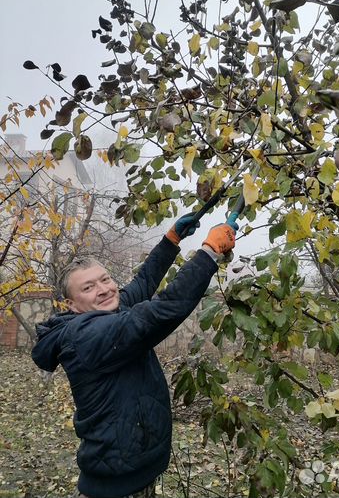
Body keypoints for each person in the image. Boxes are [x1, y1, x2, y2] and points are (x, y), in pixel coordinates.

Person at [31, 213, 238, 498]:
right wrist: (209, 253)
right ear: (71, 304)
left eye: (105, 280)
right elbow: (159, 313)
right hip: (116, 487)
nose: (103, 290)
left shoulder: (106, 310)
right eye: (88, 288)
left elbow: (142, 284)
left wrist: (171, 240)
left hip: (130, 471)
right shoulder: (86, 335)